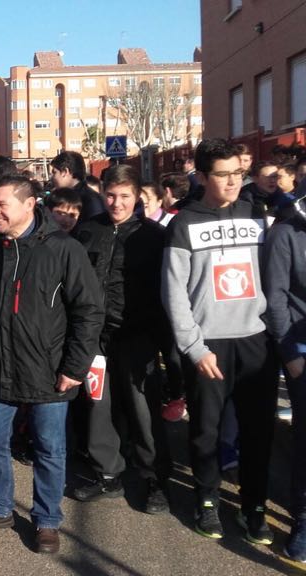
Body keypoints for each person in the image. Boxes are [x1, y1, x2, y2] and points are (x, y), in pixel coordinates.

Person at [0, 174, 103, 554]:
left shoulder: (63, 249)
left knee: (49, 449)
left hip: (49, 371)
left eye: (3, 204)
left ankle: (47, 520)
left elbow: (88, 311)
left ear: (29, 204)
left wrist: (74, 366)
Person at [162, 138, 279, 543]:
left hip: (255, 341)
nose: (232, 182)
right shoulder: (184, 223)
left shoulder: (257, 213)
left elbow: (272, 275)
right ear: (201, 176)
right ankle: (207, 501)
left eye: (237, 174)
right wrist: (194, 347)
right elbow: (175, 292)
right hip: (209, 345)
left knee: (258, 430)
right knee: (207, 431)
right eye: (222, 174)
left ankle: (255, 508)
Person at [71, 164, 172, 514]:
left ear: (138, 197)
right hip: (94, 339)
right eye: (111, 195)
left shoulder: (154, 237)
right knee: (99, 405)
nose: (116, 203)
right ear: (103, 193)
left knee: (143, 412)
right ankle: (108, 474)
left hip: (138, 336)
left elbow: (167, 293)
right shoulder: (86, 233)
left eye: (125, 196)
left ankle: (154, 478)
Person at [263, 193, 306, 562]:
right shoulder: (286, 233)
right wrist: (290, 354)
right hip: (302, 351)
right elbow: (275, 296)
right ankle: (304, 526)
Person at [50, 151, 104, 222]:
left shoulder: (89, 200)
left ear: (65, 172)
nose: (52, 178)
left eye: (54, 172)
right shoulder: (84, 195)